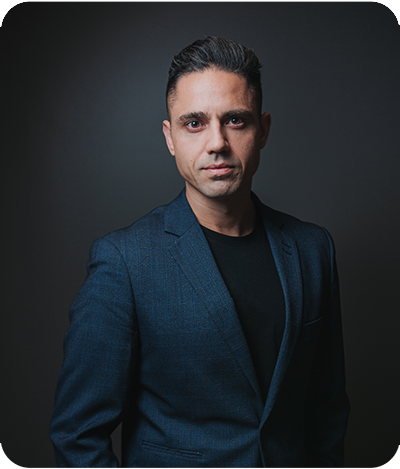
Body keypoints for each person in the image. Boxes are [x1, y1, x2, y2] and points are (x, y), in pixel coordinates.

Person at [50, 36, 350, 468]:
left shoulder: (312, 249)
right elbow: (77, 436)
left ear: (263, 129)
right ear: (170, 137)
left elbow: (327, 411)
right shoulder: (125, 261)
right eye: (194, 123)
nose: (217, 143)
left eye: (235, 120)